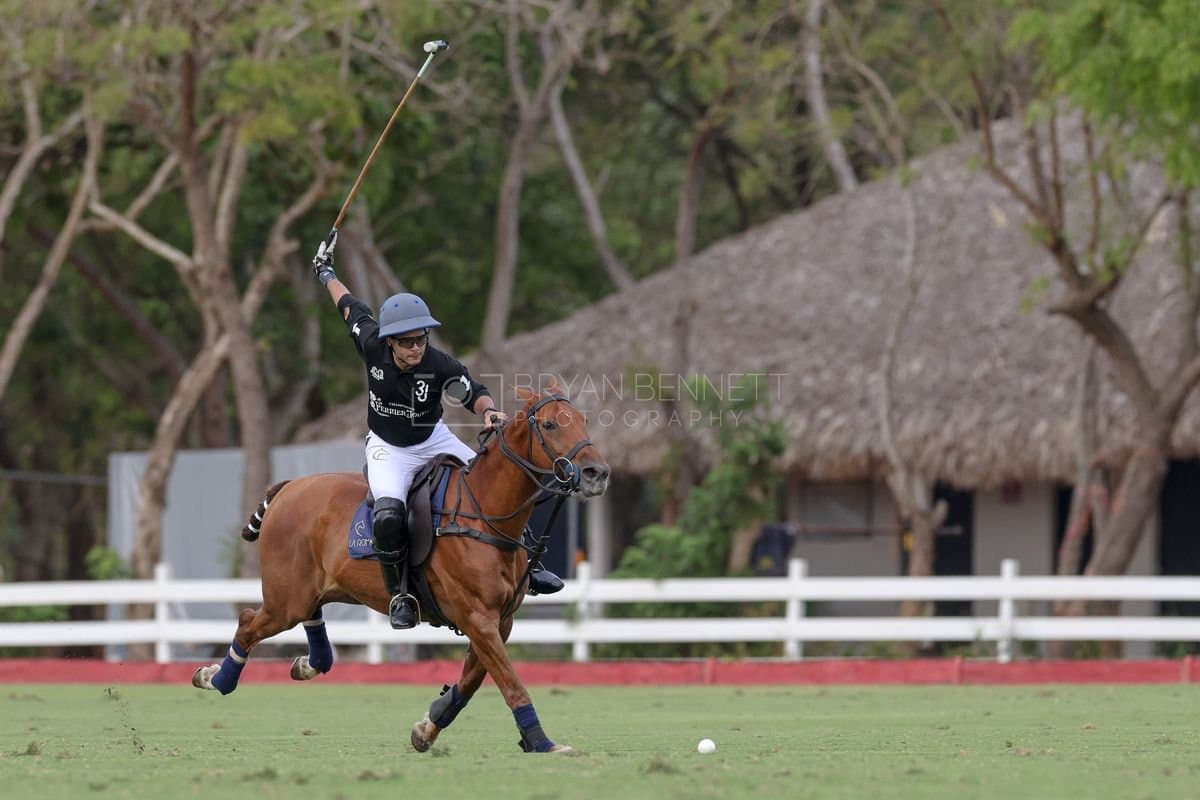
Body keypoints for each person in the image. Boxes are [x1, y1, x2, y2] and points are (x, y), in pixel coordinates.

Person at [312, 238, 562, 629]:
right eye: (408, 341)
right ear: (390, 341)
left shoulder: (437, 362)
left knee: (497, 478)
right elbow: (347, 305)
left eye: (421, 338)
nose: (416, 347)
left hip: (433, 438)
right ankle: (400, 597)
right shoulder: (371, 343)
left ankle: (532, 563)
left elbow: (472, 391)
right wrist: (325, 270)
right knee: (389, 513)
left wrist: (489, 410)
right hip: (388, 448)